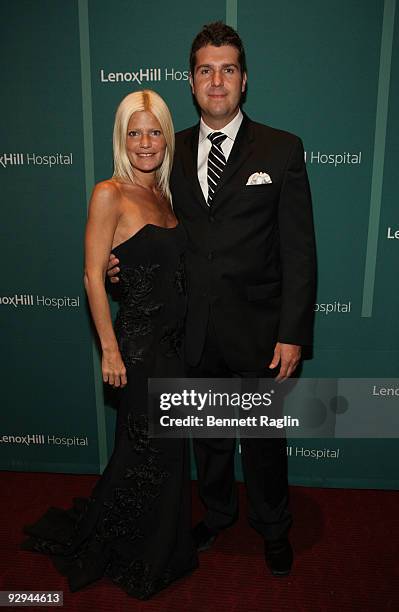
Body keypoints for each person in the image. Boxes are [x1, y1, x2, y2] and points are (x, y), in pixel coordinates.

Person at [108, 22, 317, 577]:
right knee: (210, 441)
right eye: (206, 70)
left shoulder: (282, 148)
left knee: (265, 442)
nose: (216, 80)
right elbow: (149, 228)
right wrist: (118, 261)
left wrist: (292, 332)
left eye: (227, 70)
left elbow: (299, 252)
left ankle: (274, 528)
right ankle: (219, 515)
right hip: (191, 331)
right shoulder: (165, 154)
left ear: (243, 81)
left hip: (259, 333)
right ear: (191, 81)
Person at [22, 90, 197, 599]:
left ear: (167, 136)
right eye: (134, 132)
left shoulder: (165, 195)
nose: (145, 142)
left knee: (161, 455)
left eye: (155, 131)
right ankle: (134, 551)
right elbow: (93, 276)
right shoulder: (109, 193)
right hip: (140, 347)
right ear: (121, 138)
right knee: (148, 451)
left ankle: (156, 543)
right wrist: (110, 350)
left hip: (175, 345)